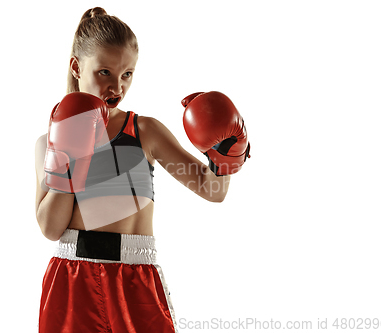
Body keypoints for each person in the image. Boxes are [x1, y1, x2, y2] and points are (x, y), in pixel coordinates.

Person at [34, 7, 249, 333]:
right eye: (104, 72)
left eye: (127, 75)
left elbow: (212, 190)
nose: (116, 87)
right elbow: (50, 227)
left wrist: (226, 152)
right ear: (77, 67)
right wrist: (70, 153)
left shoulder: (144, 131)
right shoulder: (48, 141)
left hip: (135, 275)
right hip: (71, 276)